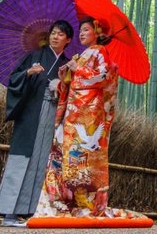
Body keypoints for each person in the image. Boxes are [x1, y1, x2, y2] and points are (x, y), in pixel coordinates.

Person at [32, 17, 146, 219]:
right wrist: (64, 77)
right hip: (72, 113)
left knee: (82, 159)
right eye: (81, 30)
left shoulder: (101, 52)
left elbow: (105, 77)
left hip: (87, 116)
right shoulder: (82, 54)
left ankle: (82, 202)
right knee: (59, 153)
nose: (82, 33)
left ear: (97, 33)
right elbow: (73, 82)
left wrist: (79, 69)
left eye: (86, 30)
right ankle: (57, 201)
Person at [0, 20, 73, 226]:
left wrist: (62, 85)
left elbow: (74, 94)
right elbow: (14, 80)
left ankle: (31, 210)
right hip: (32, 114)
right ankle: (9, 212)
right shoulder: (35, 56)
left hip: (54, 116)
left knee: (43, 162)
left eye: (61, 34)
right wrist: (28, 73)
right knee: (23, 158)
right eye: (53, 33)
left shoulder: (67, 64)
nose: (55, 36)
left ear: (68, 40)